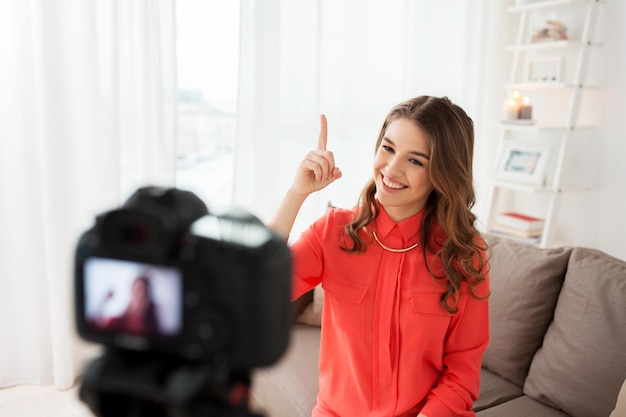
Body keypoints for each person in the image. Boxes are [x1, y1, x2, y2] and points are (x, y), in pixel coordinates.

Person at [268, 96, 490, 417]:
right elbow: (259, 287)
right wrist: (296, 194)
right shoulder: (333, 232)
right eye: (388, 148)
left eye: (416, 160)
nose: (392, 169)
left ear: (443, 173)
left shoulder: (465, 255)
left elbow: (462, 374)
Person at [96, 276, 162, 337]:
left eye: (145, 292)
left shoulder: (153, 328)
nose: (140, 296)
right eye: (137, 291)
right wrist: (105, 301)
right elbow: (99, 327)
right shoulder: (118, 322)